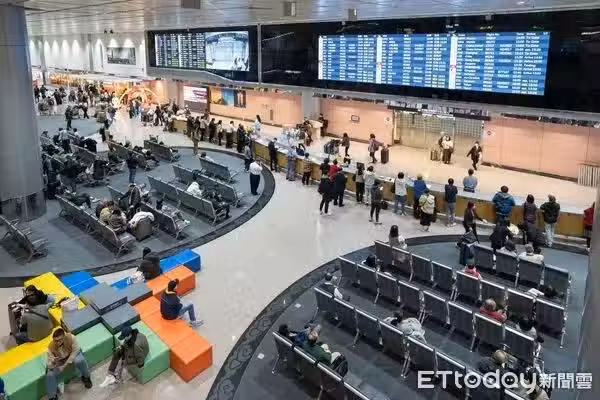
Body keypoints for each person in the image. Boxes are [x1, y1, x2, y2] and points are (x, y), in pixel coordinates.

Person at [46, 328, 93, 399]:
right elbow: (49, 365)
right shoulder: (50, 348)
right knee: (49, 375)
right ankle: (52, 396)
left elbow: (75, 351)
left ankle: (86, 377)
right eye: (55, 341)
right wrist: (53, 362)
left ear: (64, 337)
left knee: (80, 360)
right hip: (60, 361)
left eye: (60, 340)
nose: (58, 343)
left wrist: (64, 366)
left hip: (71, 355)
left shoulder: (71, 338)